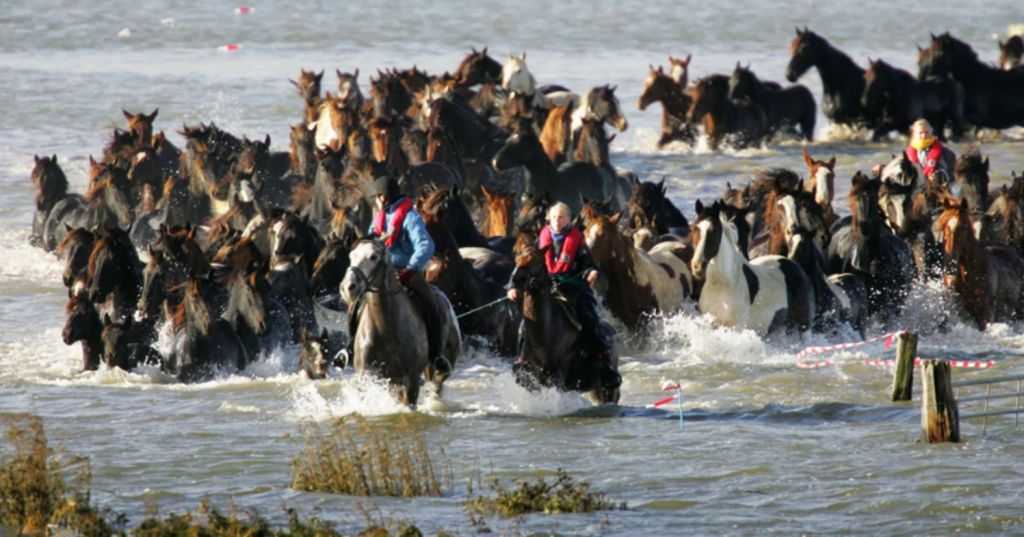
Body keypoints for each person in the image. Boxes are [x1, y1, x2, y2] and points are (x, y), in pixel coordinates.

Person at [505, 202, 622, 390]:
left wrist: (590, 273)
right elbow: (523, 265)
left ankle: (604, 365)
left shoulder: (578, 241)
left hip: (575, 291)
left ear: (568, 219)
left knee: (590, 320)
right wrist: (512, 287)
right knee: (524, 325)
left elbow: (589, 264)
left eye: (561, 217)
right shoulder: (540, 239)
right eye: (554, 217)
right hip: (548, 289)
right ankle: (522, 361)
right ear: (548, 219)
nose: (557, 221)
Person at [344, 175, 451, 378]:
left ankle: (436, 356)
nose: (382, 200)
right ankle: (349, 349)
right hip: (378, 274)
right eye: (379, 196)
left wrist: (411, 268)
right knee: (354, 305)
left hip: (407, 273)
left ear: (391, 196)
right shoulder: (378, 220)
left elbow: (425, 245)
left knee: (432, 305)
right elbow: (370, 246)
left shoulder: (411, 217)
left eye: (384, 196)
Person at [905, 119, 956, 184]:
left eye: (926, 133)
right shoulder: (907, 155)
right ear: (914, 133)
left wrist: (939, 176)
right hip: (915, 188)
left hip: (939, 189)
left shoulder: (945, 152)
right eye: (920, 133)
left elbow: (956, 171)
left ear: (931, 132)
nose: (923, 136)